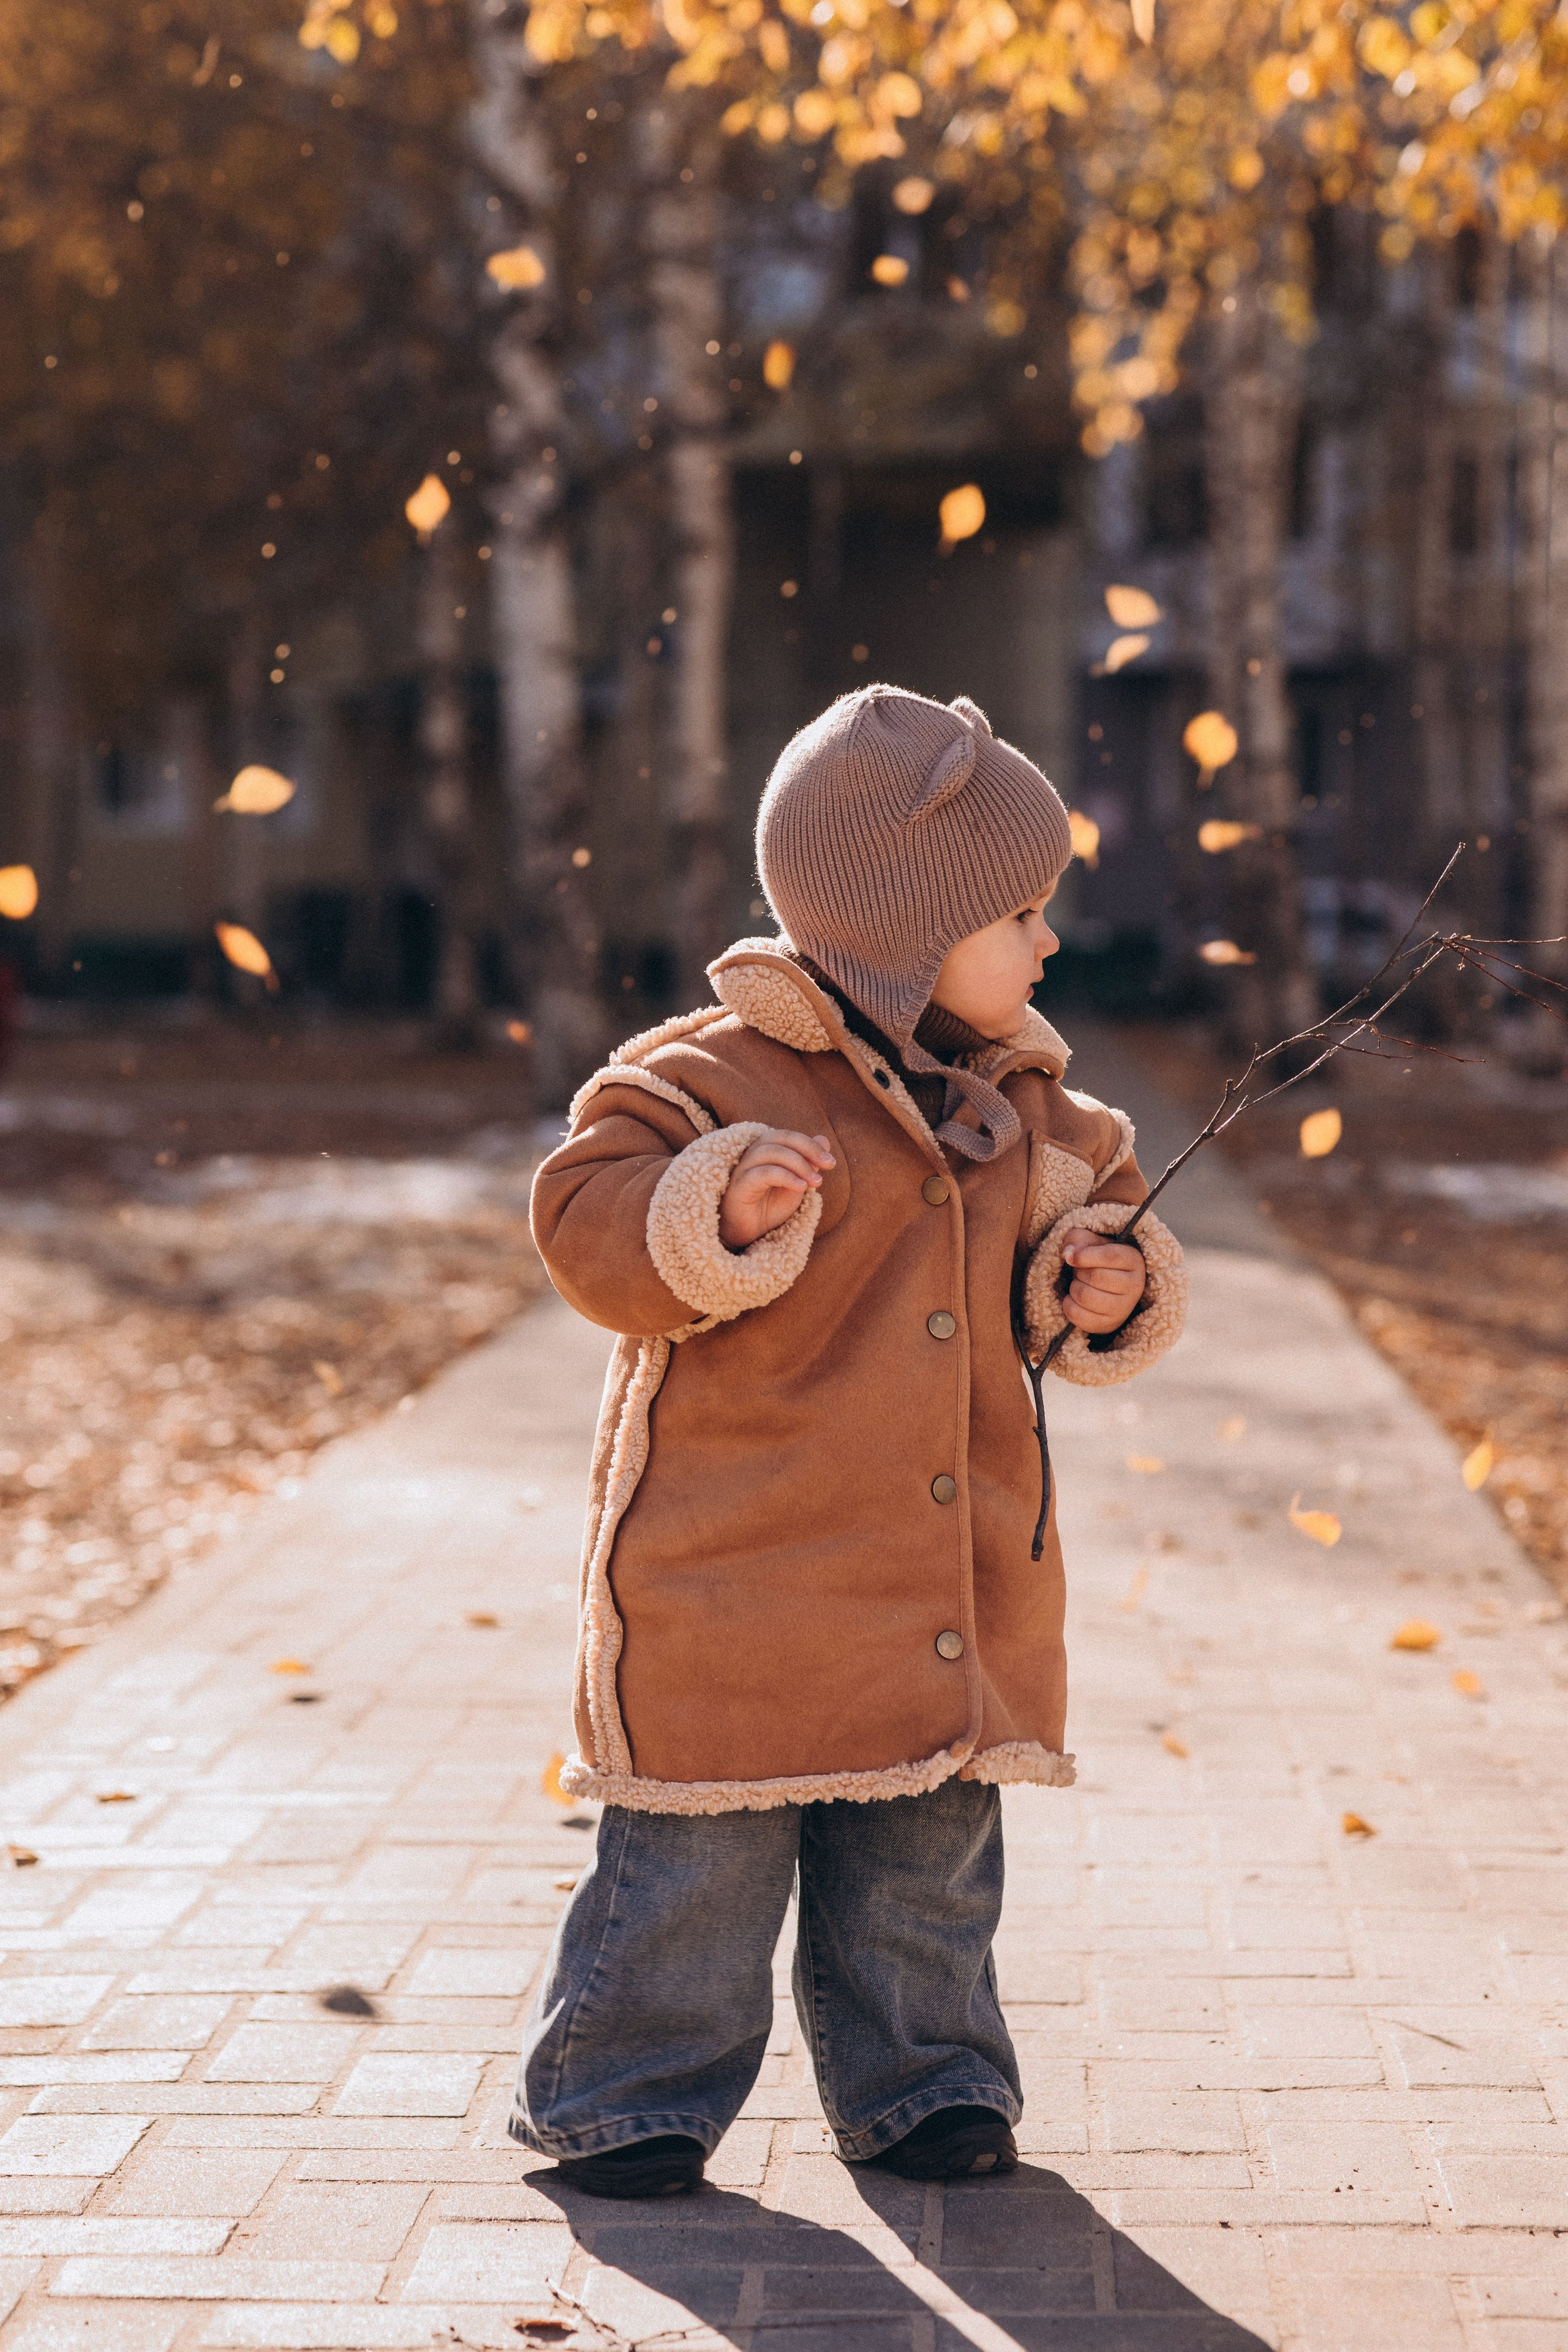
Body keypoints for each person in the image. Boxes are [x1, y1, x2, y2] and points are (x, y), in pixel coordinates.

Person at [512, 686, 1188, 2198]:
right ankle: (626, 2094)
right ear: (899, 924)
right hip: (736, 1573)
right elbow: (584, 1224)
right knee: (696, 1863)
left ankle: (925, 2084)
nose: (1047, 941)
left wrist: (1101, 1283)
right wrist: (709, 1204)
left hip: (941, 1588)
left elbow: (1098, 1232)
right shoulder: (706, 1080)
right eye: (1019, 911)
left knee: (924, 1868)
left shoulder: (1035, 1109)